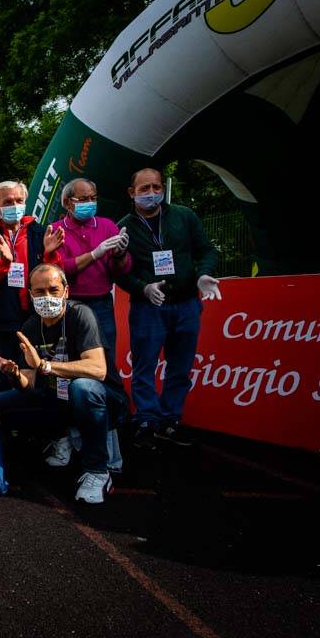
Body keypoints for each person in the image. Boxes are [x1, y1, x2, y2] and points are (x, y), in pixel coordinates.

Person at [115, 168, 221, 449]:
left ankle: (172, 418)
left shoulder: (184, 217)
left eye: (156, 187)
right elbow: (117, 271)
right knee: (144, 366)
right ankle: (147, 419)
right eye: (145, 189)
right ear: (132, 192)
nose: (152, 193)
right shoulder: (123, 227)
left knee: (180, 366)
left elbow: (206, 250)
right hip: (149, 307)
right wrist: (142, 288)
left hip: (186, 303)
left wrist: (203, 274)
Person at [0, 264, 113, 504]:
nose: (47, 297)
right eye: (39, 292)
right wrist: (14, 374)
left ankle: (97, 470)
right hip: (53, 398)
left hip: (94, 400)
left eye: (53, 290)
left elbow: (98, 369)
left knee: (83, 388)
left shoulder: (81, 315)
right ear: (30, 294)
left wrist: (45, 366)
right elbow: (30, 383)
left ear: (66, 291)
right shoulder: (31, 326)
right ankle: (58, 438)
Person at [50, 177, 131, 471]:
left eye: (92, 197)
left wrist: (120, 253)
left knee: (104, 371)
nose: (88, 202)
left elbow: (121, 269)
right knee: (70, 372)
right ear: (68, 202)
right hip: (69, 306)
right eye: (82, 198)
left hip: (101, 304)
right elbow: (60, 270)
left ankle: (110, 445)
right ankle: (73, 439)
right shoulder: (57, 230)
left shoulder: (108, 225)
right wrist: (95, 254)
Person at [0, 180, 64, 377]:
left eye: (19, 200)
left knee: (36, 372)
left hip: (37, 317)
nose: (14, 206)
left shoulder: (40, 232)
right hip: (1, 319)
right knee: (5, 372)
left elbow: (55, 276)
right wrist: (4, 263)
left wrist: (50, 254)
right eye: (7, 202)